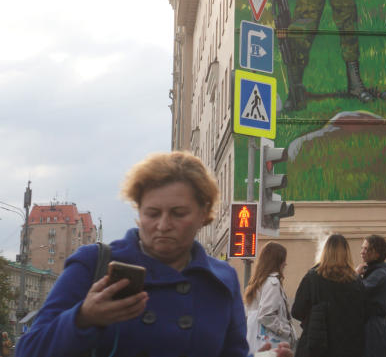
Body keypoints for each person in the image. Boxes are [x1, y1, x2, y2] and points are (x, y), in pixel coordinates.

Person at [15, 151, 249, 357]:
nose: (163, 225)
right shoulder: (93, 264)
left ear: (203, 213)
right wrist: (84, 317)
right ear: (139, 212)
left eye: (178, 213)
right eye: (152, 213)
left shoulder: (221, 279)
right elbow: (29, 350)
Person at [292, 234, 365, 357]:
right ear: (347, 253)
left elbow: (297, 311)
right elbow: (364, 313)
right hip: (348, 345)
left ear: (325, 251)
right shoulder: (356, 281)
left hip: (318, 345)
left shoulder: (313, 277)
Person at [245, 241, 297, 352]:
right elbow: (266, 315)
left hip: (256, 344)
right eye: (283, 259)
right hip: (271, 346)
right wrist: (286, 332)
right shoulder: (273, 282)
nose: (285, 264)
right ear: (277, 261)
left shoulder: (257, 283)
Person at [357, 234, 386, 357]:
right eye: (362, 248)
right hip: (372, 328)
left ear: (376, 254)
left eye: (366, 249)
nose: (362, 252)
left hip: (373, 330)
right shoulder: (375, 272)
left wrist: (355, 275)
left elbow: (357, 291)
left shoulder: (379, 275)